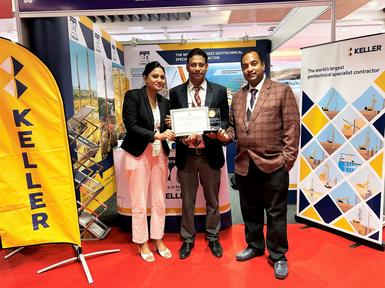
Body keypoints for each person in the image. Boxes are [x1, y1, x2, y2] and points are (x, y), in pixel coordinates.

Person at [219, 50, 300, 279]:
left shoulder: (281, 91)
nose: (250, 69)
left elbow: (292, 128)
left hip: (274, 163)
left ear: (263, 65)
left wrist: (287, 161)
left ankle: (278, 255)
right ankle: (254, 245)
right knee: (250, 210)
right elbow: (235, 128)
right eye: (245, 65)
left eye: (254, 63)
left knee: (276, 213)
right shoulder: (237, 96)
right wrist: (226, 135)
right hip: (245, 163)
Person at [169, 48, 229, 259]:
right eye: (193, 64)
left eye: (200, 64)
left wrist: (217, 132)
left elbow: (224, 120)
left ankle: (213, 237)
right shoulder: (175, 92)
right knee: (187, 200)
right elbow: (174, 124)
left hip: (210, 154)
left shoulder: (219, 91)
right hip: (187, 155)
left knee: (213, 200)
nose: (197, 68)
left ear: (206, 67)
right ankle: (188, 238)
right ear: (187, 66)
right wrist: (181, 137)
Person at [120, 61, 175, 262]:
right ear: (145, 78)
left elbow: (168, 126)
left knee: (159, 199)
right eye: (154, 76)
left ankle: (158, 238)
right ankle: (142, 242)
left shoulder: (165, 102)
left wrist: (172, 125)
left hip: (159, 154)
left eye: (161, 77)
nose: (159, 80)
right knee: (140, 201)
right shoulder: (133, 96)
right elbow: (131, 125)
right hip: (137, 153)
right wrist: (156, 135)